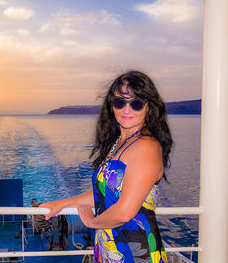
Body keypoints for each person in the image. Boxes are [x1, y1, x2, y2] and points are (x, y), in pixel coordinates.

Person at [40, 70, 172, 262]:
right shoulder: (119, 142)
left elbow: (125, 212)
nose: (127, 110)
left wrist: (91, 222)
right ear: (111, 106)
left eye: (136, 103)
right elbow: (105, 193)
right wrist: (62, 203)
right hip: (108, 248)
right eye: (120, 102)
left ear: (148, 107)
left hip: (135, 253)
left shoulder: (146, 147)